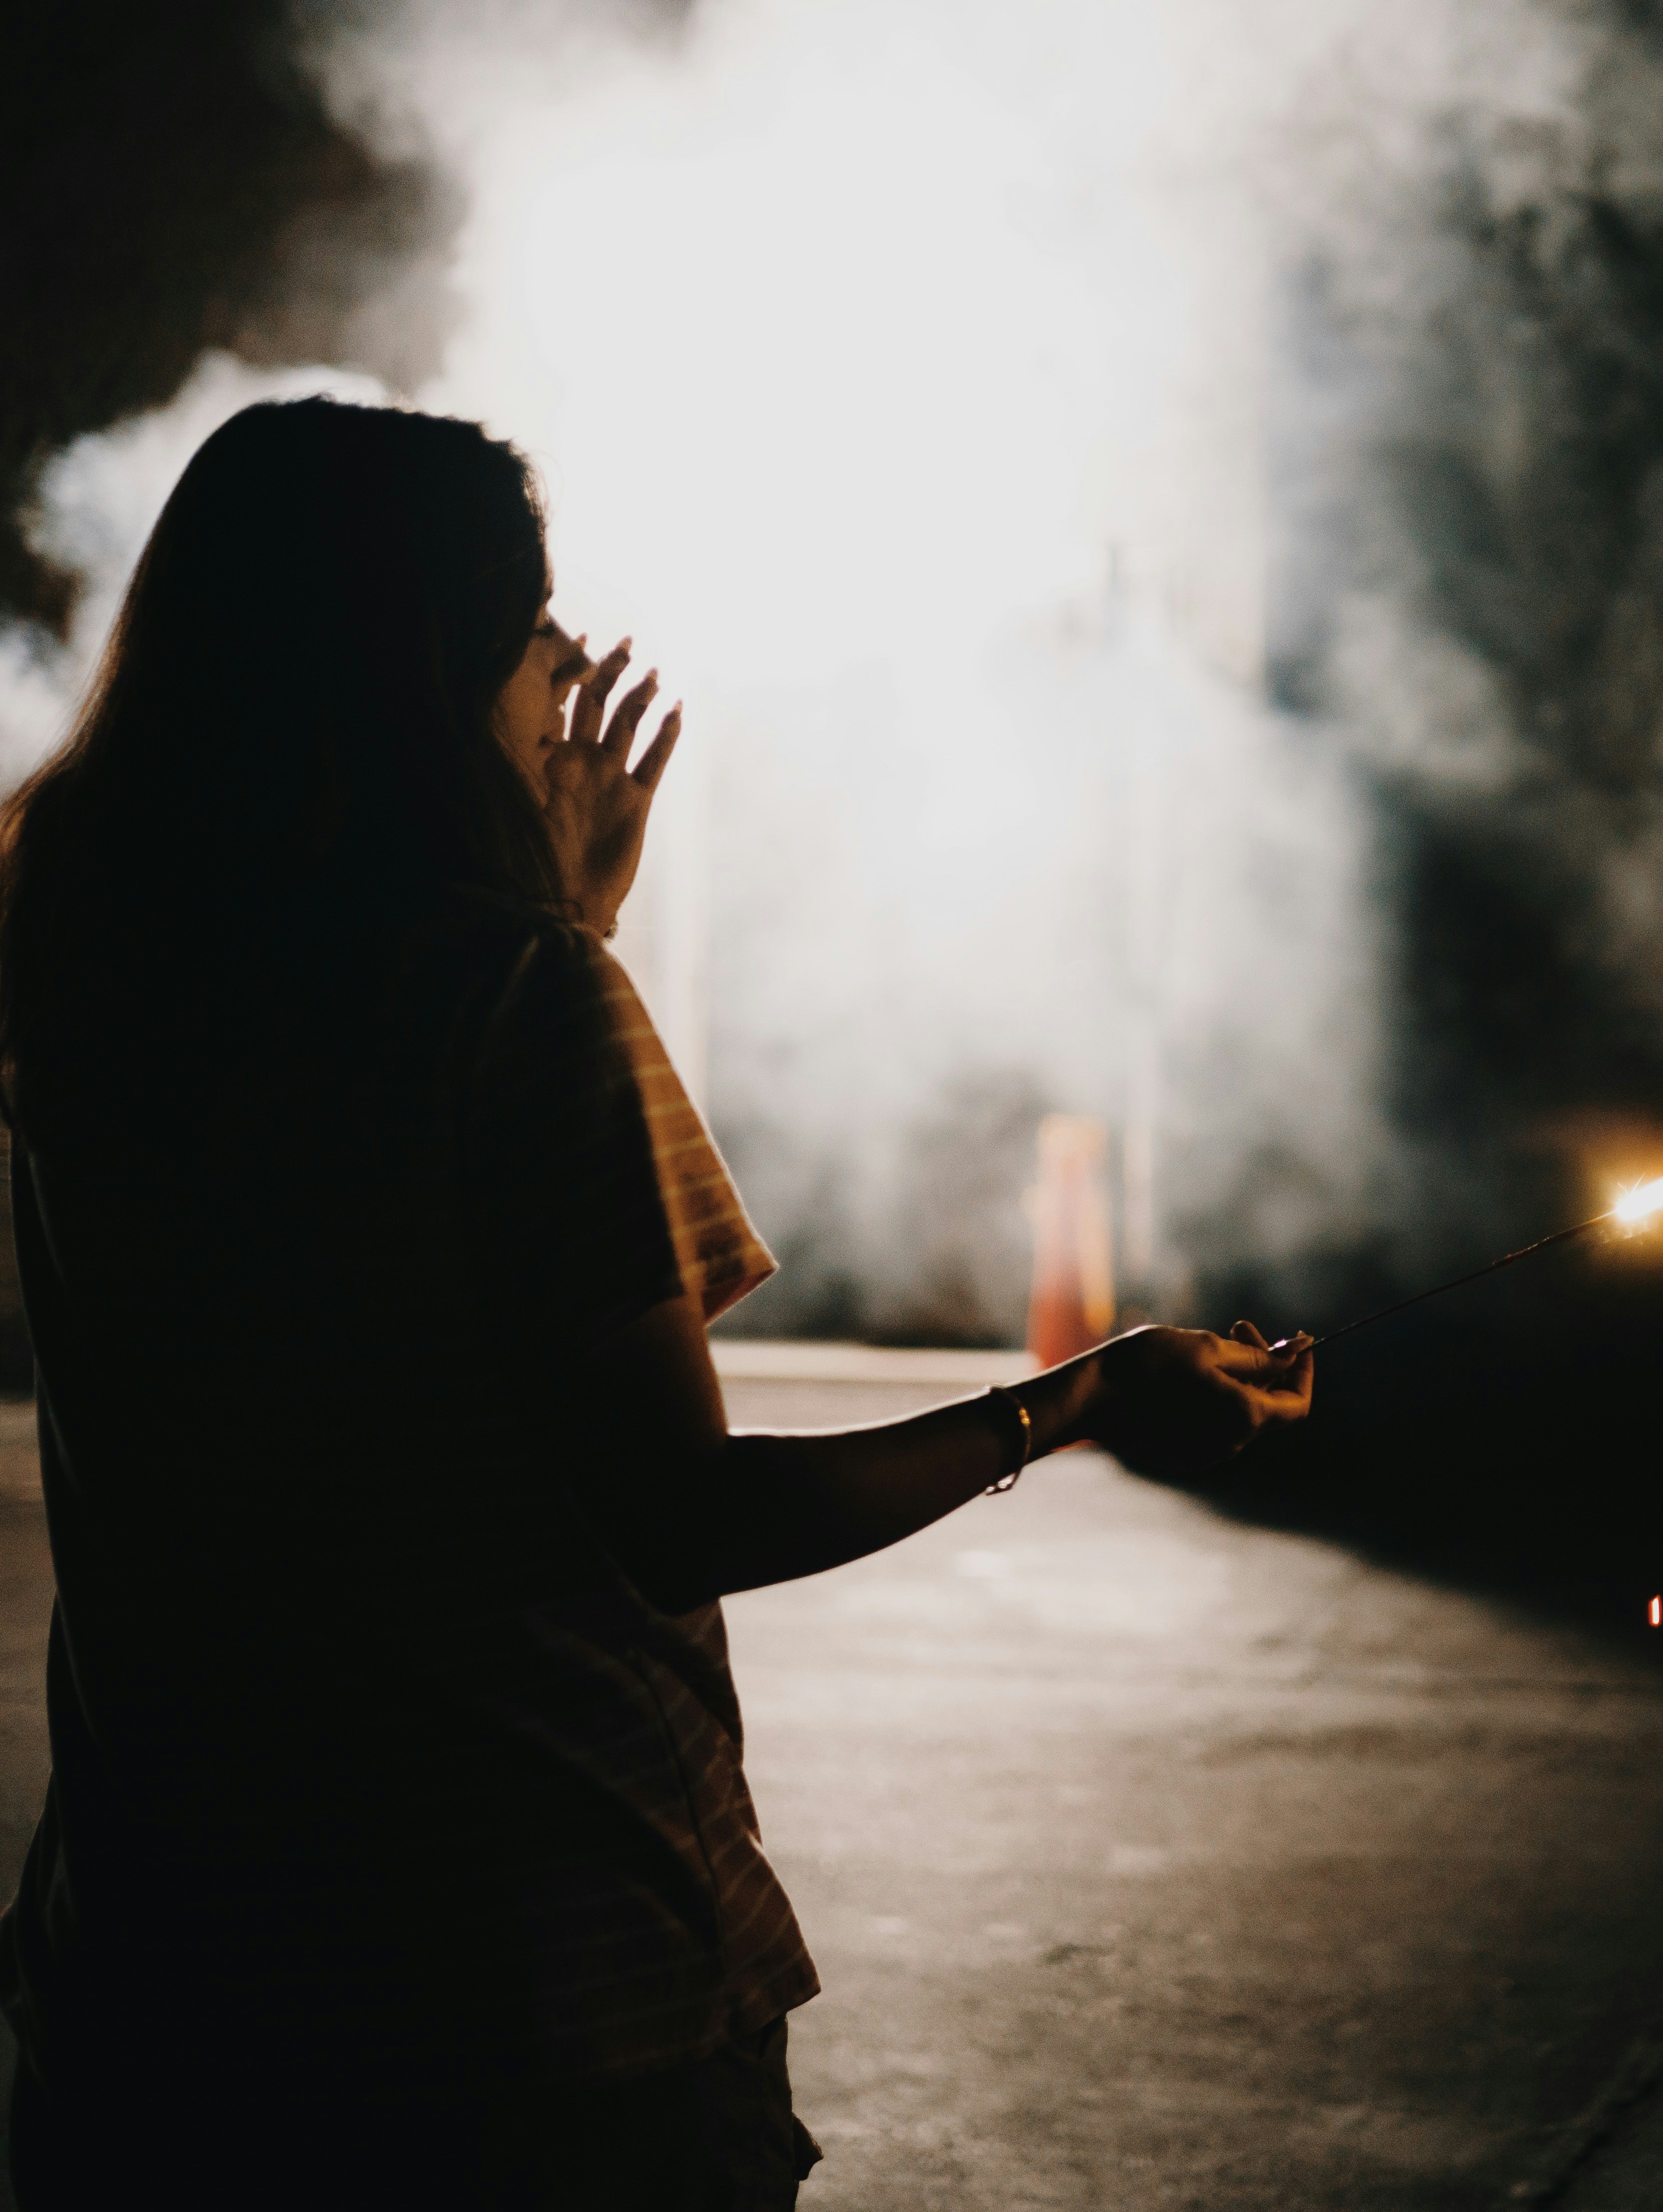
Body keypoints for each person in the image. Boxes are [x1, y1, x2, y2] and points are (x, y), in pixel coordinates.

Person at [0, 396, 1313, 2207]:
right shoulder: (516, 1008)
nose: (563, 685)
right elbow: (679, 1512)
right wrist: (1078, 1398)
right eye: (536, 638)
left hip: (165, 1983)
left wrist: (567, 924)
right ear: (431, 676)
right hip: (517, 1996)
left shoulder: (86, 982)